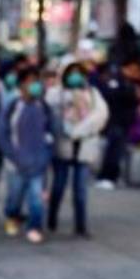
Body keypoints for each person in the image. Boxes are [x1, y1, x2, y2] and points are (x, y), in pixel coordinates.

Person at [46, 60, 108, 236]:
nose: (75, 76)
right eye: (71, 72)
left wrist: (80, 130)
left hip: (84, 146)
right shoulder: (55, 94)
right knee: (58, 186)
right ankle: (52, 219)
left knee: (80, 190)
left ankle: (81, 226)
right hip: (63, 146)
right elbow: (48, 113)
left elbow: (100, 116)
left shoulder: (93, 94)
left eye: (78, 72)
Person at [0, 66, 53, 244]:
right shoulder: (13, 106)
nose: (34, 85)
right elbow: (2, 133)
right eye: (29, 81)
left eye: (36, 81)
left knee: (36, 197)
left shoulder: (43, 106)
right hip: (15, 162)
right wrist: (13, 155)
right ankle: (12, 217)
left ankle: (35, 226)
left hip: (38, 162)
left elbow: (51, 133)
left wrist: (46, 156)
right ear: (21, 85)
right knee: (15, 196)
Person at [97, 57, 140, 188]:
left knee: (118, 150)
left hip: (125, 122)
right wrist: (131, 93)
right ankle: (107, 176)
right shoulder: (117, 81)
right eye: (132, 69)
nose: (135, 72)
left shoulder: (135, 82)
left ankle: (112, 176)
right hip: (116, 120)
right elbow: (110, 96)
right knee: (113, 150)